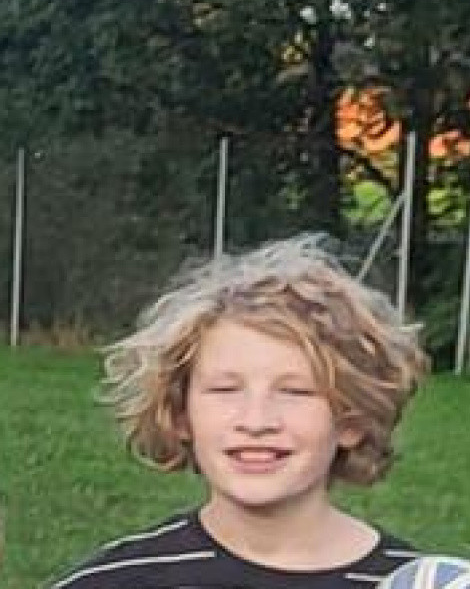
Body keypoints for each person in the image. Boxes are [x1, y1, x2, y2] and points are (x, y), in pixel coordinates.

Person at [49, 233, 429, 589]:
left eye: (295, 391)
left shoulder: (418, 582)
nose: (256, 421)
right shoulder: (117, 581)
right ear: (180, 415)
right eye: (225, 390)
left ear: (353, 420)